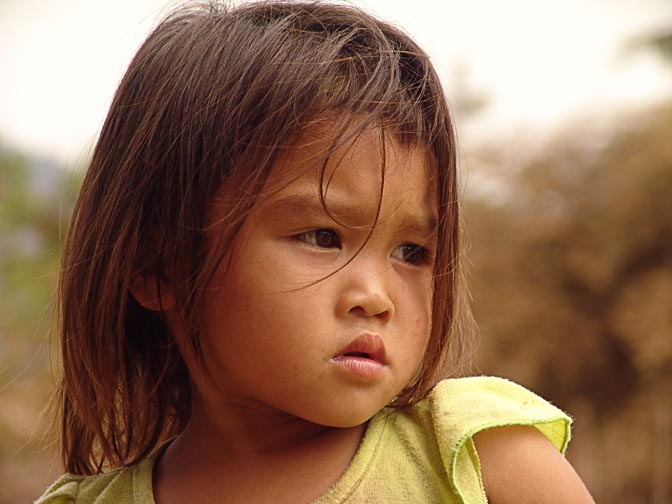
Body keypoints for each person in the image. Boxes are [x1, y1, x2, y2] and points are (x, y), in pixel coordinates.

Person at [36, 1, 594, 503]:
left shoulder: (478, 458)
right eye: (323, 237)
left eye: (412, 251)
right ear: (160, 265)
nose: (376, 298)